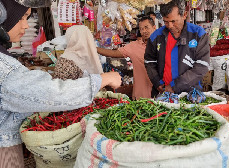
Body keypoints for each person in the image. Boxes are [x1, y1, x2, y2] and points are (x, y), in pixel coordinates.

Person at [0, 1, 121, 167]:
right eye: (21, 18)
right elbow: (52, 92)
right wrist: (101, 80)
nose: (26, 26)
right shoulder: (4, 69)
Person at [144, 0, 210, 96]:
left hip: (190, 94)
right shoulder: (156, 36)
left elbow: (202, 66)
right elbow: (149, 61)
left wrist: (175, 86)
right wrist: (157, 82)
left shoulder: (198, 34)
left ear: (184, 15)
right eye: (166, 22)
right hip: (163, 93)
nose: (170, 26)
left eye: (173, 21)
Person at [97, 16, 156, 100]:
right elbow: (114, 53)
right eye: (141, 29)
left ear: (154, 27)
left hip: (160, 96)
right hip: (140, 97)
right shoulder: (134, 46)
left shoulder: (162, 45)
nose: (144, 31)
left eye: (146, 27)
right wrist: (94, 49)